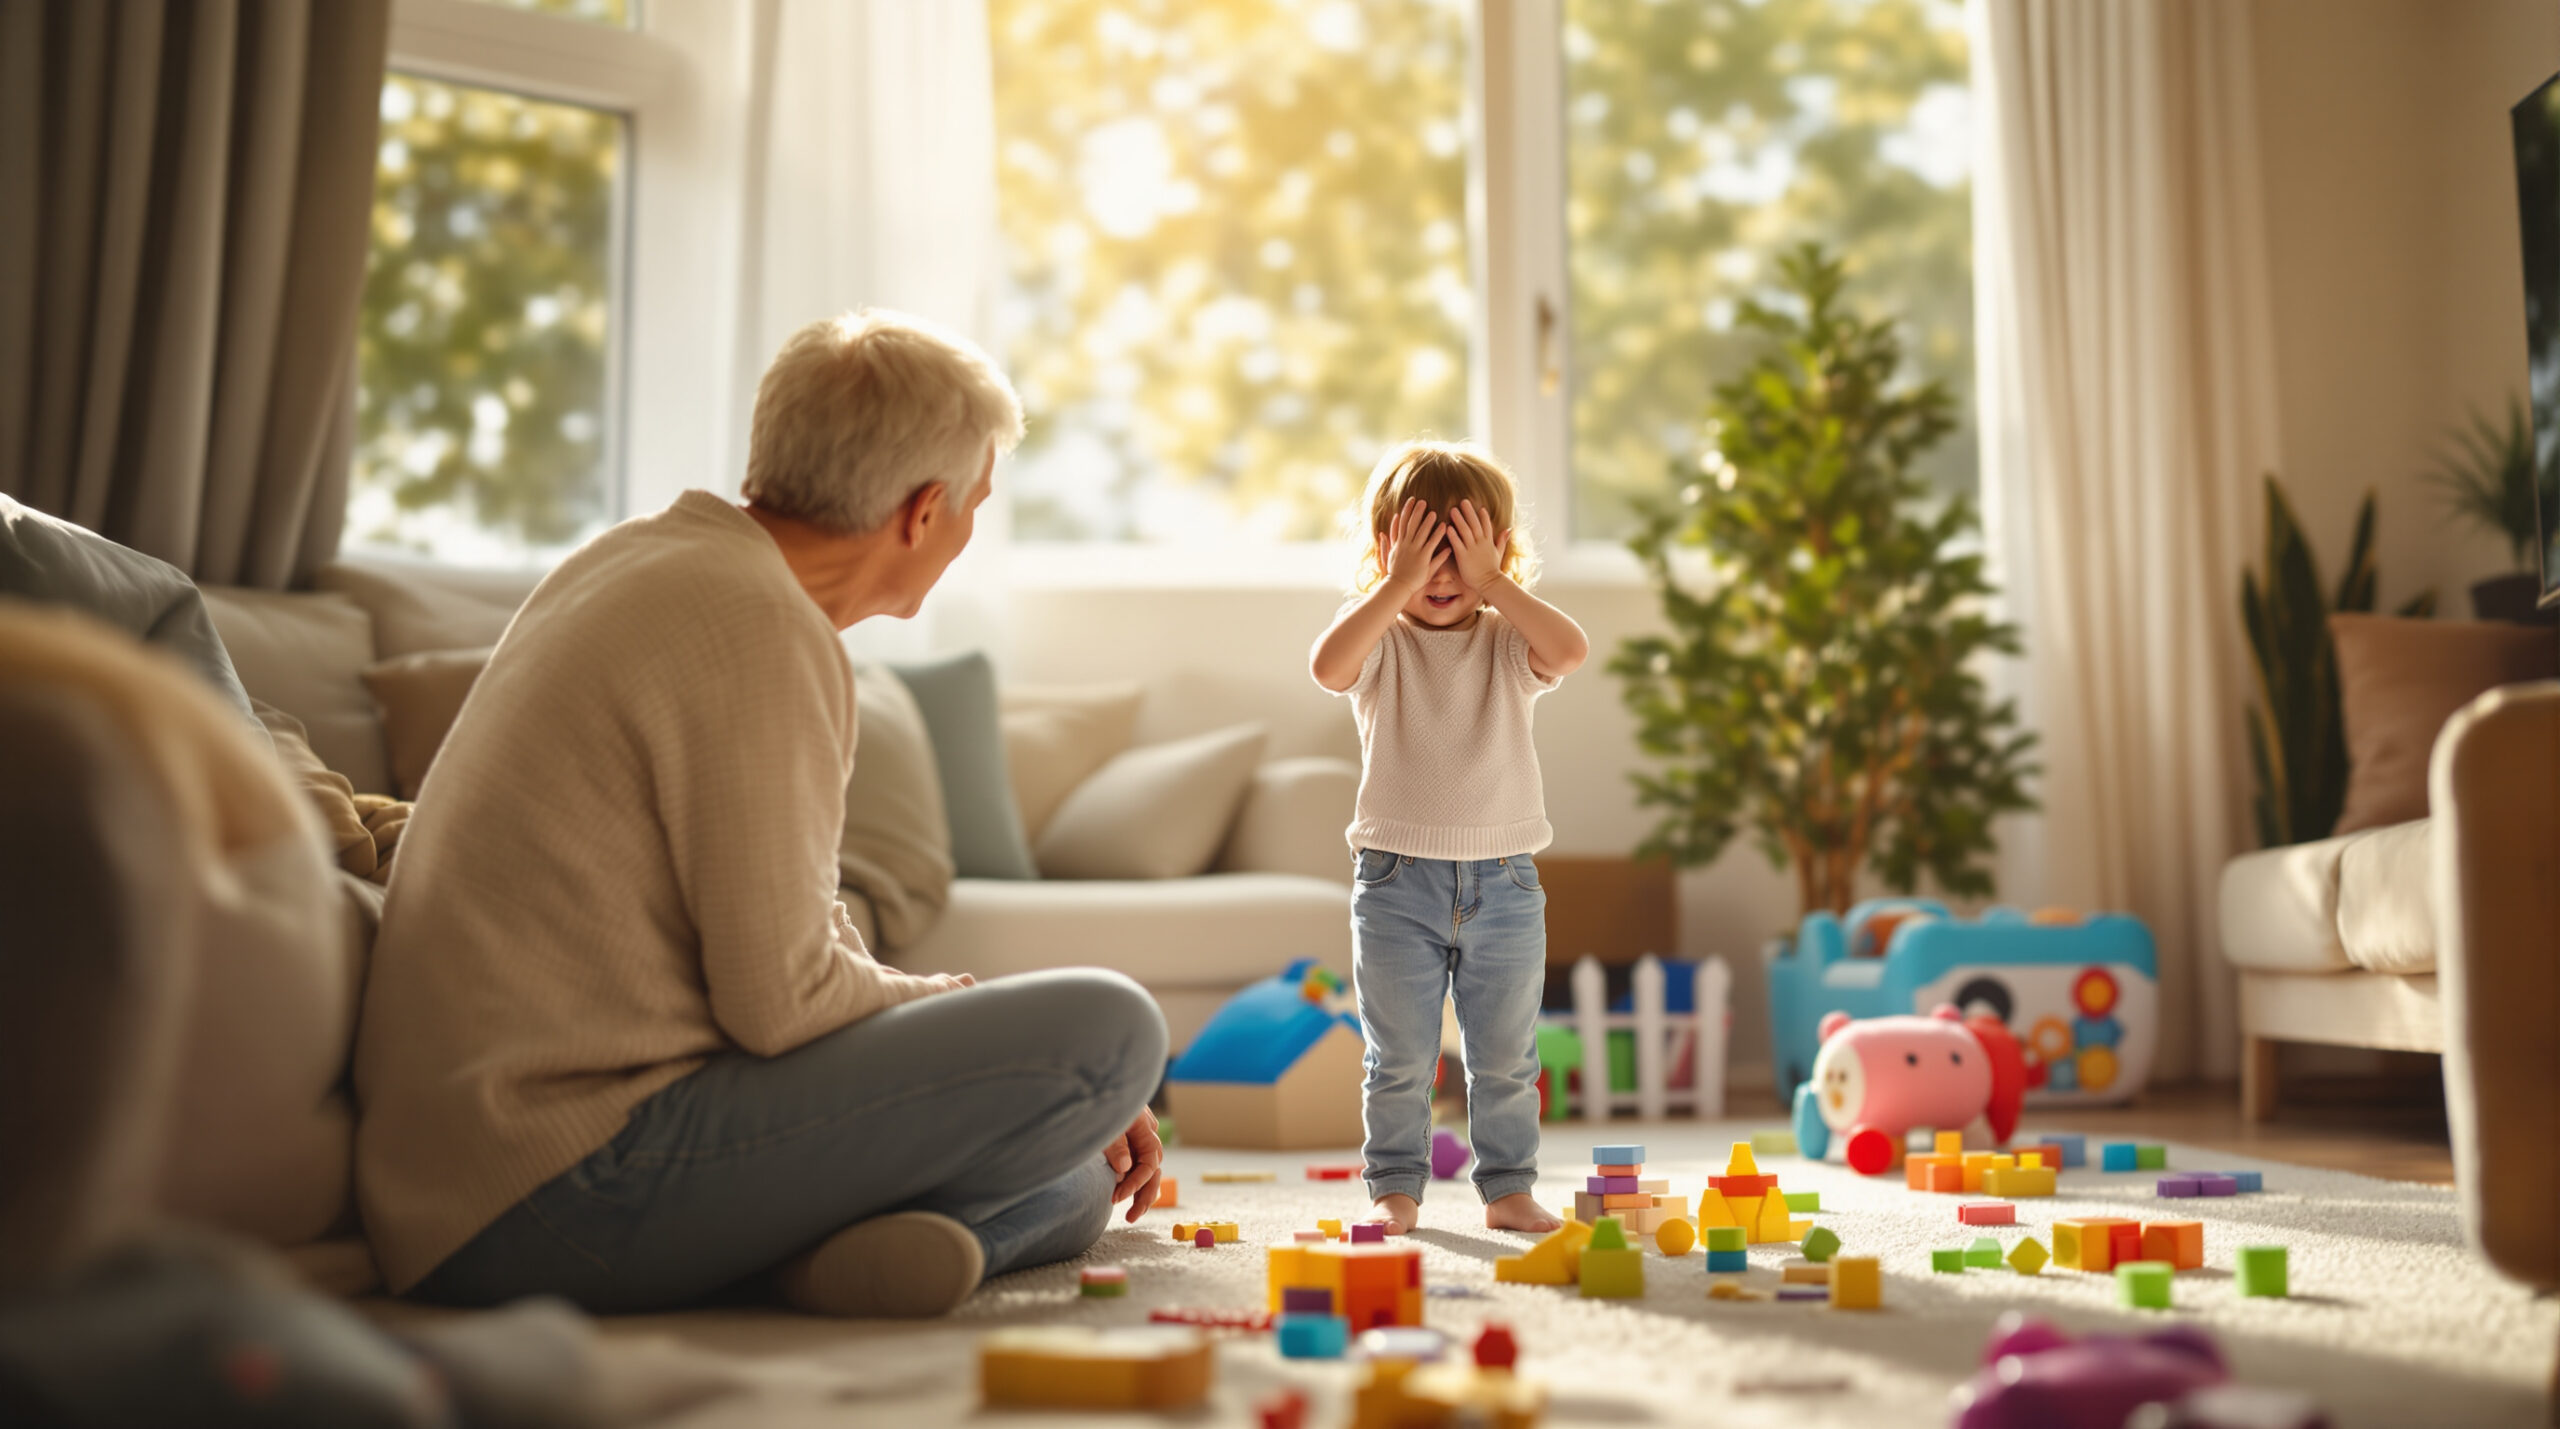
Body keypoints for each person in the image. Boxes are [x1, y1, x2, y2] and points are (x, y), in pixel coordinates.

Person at [353, 311, 1167, 1319]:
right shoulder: (761, 624)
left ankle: (857, 1255)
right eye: (976, 505)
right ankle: (815, 1257)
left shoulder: (638, 559)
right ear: (924, 512)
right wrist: (956, 1009)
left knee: (1078, 1179)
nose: (966, 533)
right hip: (559, 1188)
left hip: (464, 1191)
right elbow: (781, 1001)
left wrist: (954, 1023)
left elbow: (793, 929)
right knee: (1112, 1032)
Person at [1306, 441, 1589, 1236]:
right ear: (1386, 550)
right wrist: (1394, 585)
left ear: (1497, 550)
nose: (1441, 574)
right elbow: (1328, 667)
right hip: (1398, 883)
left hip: (1505, 881)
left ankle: (1508, 1188)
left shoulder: (1507, 639)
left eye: (1459, 552)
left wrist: (1494, 582)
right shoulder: (1382, 640)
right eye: (1423, 551)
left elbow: (1571, 651)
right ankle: (1395, 1186)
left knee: (1506, 1055)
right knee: (1398, 1055)